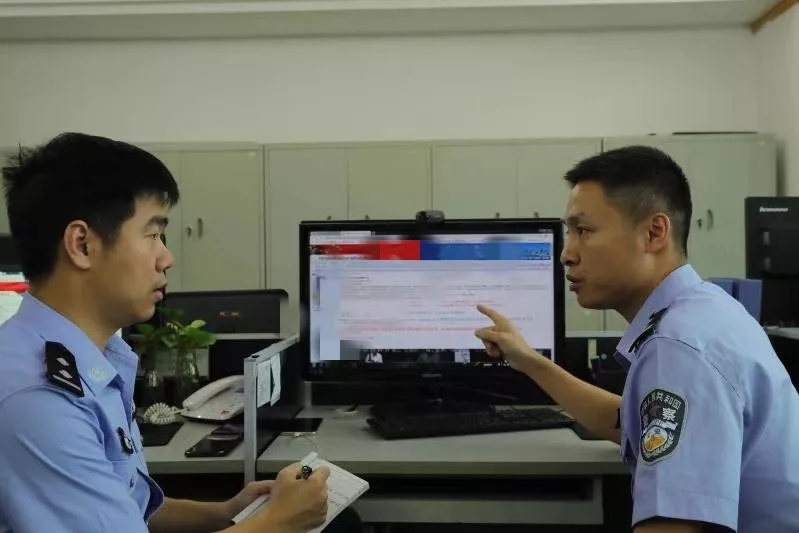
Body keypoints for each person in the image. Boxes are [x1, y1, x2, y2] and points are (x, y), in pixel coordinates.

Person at [0, 133, 331, 533]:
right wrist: (278, 522)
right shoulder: (40, 399)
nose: (167, 258)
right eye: (152, 234)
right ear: (82, 245)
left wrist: (226, 512)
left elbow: (125, 508)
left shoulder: (94, 360)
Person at [474, 146, 799, 533]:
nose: (566, 254)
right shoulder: (706, 309)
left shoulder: (678, 349)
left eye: (584, 231)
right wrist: (529, 359)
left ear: (654, 233)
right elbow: (631, 423)